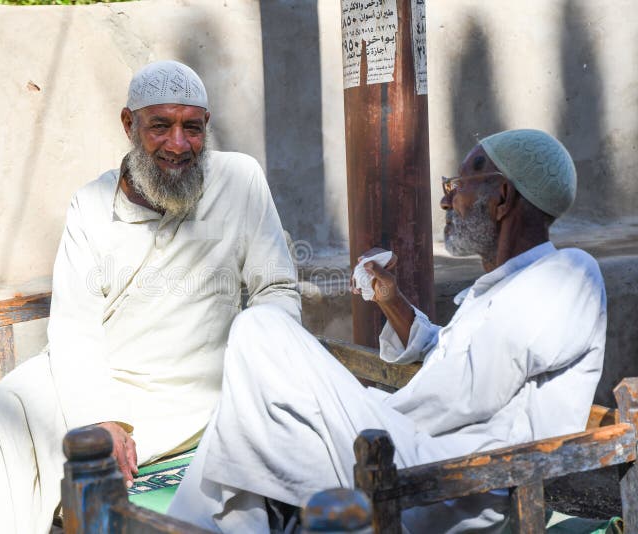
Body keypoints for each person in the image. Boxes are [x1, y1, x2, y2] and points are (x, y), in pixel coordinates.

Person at [168, 129, 607, 533]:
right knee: (247, 407)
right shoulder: (501, 289)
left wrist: (361, 406)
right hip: (423, 456)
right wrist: (391, 301)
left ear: (502, 197)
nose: (445, 203)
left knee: (260, 329)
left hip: (461, 482)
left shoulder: (568, 274)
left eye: (455, 188)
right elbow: (454, 359)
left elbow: (469, 393)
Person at [0, 60, 301, 534]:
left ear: (206, 128)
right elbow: (75, 327)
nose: (178, 144)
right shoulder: (91, 206)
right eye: (160, 126)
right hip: (102, 376)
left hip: (200, 389)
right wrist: (102, 417)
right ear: (128, 124)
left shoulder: (241, 181)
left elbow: (275, 288)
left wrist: (260, 366)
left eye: (191, 128)